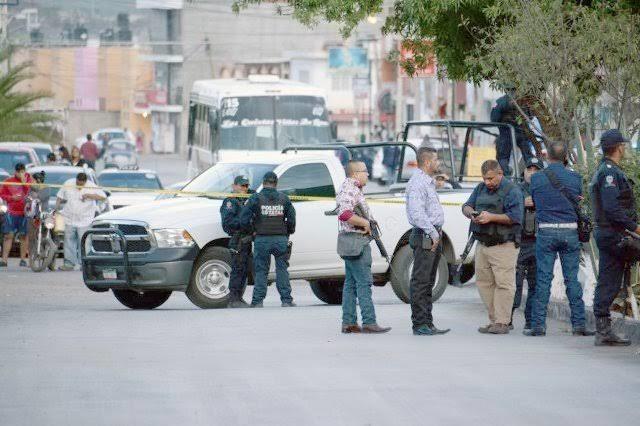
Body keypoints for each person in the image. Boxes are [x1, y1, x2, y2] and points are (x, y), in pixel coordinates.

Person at [526, 142, 593, 337]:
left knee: (544, 278)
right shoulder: (575, 178)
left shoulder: (537, 179)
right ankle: (579, 324)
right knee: (572, 279)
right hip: (570, 232)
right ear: (566, 158)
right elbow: (578, 202)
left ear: (548, 157)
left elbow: (536, 203)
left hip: (546, 232)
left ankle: (538, 325)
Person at [462, 160, 523, 334]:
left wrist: (491, 217)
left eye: (490, 178)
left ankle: (503, 322)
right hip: (482, 243)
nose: (487, 182)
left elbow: (515, 216)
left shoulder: (512, 190)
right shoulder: (481, 188)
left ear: (500, 174)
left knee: (504, 284)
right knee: (484, 283)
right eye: (484, 178)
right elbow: (466, 206)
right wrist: (471, 213)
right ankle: (494, 320)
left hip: (504, 244)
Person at [590, 129, 637, 346]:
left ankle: (603, 330)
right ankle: (603, 330)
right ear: (619, 147)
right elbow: (612, 208)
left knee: (608, 279)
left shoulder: (605, 169)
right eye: (624, 145)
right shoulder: (609, 173)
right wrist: (635, 228)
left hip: (610, 233)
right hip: (613, 233)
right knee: (609, 279)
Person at [336, 161, 391, 334]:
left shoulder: (351, 188)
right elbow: (344, 214)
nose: (368, 174)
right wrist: (365, 222)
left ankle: (349, 322)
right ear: (355, 173)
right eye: (365, 171)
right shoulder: (350, 189)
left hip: (351, 241)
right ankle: (369, 321)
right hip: (357, 241)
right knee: (364, 283)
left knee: (351, 284)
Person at [406, 147, 450, 336]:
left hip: (432, 234)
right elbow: (417, 214)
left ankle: (428, 322)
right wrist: (433, 233)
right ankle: (420, 324)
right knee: (421, 281)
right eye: (436, 160)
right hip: (425, 235)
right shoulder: (417, 183)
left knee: (428, 281)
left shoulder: (427, 182)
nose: (438, 163)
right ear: (427, 162)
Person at [240, 171, 296, 308]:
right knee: (282, 269)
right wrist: (287, 232)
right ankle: (286, 300)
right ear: (276, 183)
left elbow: (243, 219)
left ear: (263, 183)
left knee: (261, 271)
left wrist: (252, 231)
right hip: (280, 239)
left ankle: (257, 301)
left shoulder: (255, 198)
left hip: (261, 239)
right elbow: (292, 219)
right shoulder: (284, 198)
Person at [511, 157, 542, 331]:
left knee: (535, 285)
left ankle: (530, 321)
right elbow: (506, 208)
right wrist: (522, 203)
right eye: (529, 169)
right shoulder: (516, 190)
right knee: (514, 284)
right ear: (524, 171)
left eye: (536, 170)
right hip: (519, 242)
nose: (532, 173)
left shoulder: (544, 190)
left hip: (538, 243)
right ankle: (507, 318)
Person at [55, 172, 106, 271]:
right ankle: (69, 264)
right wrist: (56, 209)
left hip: (85, 220)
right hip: (69, 218)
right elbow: (59, 197)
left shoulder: (91, 186)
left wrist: (90, 195)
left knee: (84, 242)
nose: (79, 186)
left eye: (81, 184)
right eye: (78, 183)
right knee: (69, 241)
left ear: (85, 182)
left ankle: (85, 264)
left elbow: (103, 197)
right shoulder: (69, 183)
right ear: (76, 180)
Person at [221, 176, 252, 308]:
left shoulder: (247, 200)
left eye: (246, 186)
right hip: (237, 239)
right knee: (238, 269)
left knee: (244, 269)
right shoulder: (230, 202)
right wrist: (244, 223)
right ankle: (233, 299)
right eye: (241, 185)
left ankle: (239, 297)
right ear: (234, 186)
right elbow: (227, 223)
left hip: (246, 239)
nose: (244, 188)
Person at [490, 92, 535, 176]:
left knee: (503, 157)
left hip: (506, 132)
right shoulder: (525, 101)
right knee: (528, 156)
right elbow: (531, 116)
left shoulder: (501, 101)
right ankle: (533, 175)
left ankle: (507, 177)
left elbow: (494, 118)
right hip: (522, 132)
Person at [0, 163, 32, 267]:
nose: (21, 174)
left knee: (23, 236)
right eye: (19, 172)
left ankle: (23, 259)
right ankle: (4, 260)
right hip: (11, 213)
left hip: (24, 213)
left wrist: (24, 183)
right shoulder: (8, 181)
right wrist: (12, 198)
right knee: (8, 236)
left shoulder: (28, 179)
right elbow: (2, 194)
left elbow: (29, 192)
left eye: (23, 171)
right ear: (15, 171)